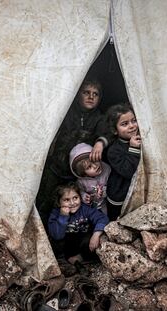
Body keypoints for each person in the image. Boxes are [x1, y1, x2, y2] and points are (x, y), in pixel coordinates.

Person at [36, 79, 110, 230]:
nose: (91, 97)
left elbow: (107, 132)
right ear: (77, 95)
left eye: (95, 94)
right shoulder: (66, 112)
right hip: (56, 166)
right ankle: (42, 233)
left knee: (72, 206)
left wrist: (100, 142)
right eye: (86, 93)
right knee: (46, 200)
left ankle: (65, 242)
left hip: (77, 174)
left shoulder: (99, 118)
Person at [48, 182, 109, 268]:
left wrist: (96, 234)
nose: (72, 203)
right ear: (59, 202)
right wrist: (63, 216)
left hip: (84, 242)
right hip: (67, 244)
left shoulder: (85, 209)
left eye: (75, 198)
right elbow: (57, 236)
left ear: (80, 198)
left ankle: (81, 257)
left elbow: (102, 218)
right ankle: (69, 259)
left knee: (96, 239)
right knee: (57, 245)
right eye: (66, 200)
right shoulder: (55, 214)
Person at [105, 103, 141, 221]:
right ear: (115, 130)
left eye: (133, 121)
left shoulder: (143, 138)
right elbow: (128, 171)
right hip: (119, 196)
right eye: (124, 124)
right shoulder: (113, 151)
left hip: (137, 193)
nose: (131, 126)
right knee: (118, 222)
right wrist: (134, 148)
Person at [69, 143, 111, 214]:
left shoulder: (106, 169)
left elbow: (113, 185)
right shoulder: (81, 181)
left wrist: (103, 191)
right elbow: (80, 191)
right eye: (89, 167)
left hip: (106, 203)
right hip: (90, 206)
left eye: (95, 160)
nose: (95, 166)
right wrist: (85, 197)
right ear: (83, 173)